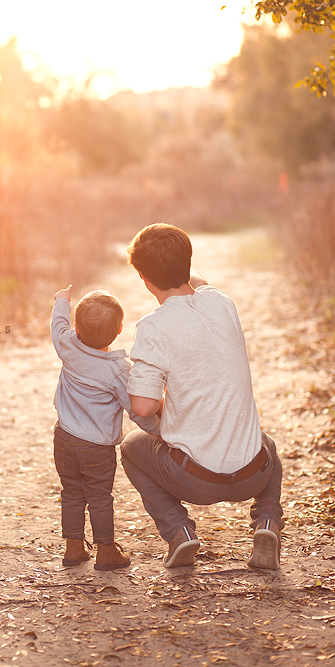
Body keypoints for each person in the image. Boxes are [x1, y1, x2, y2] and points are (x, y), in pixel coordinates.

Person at [120, 223, 283, 570]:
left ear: (143, 279)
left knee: (131, 448)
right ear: (189, 264)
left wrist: (168, 410)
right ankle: (267, 523)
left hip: (196, 481)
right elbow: (200, 283)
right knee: (265, 444)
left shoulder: (153, 327)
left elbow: (143, 406)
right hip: (254, 472)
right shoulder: (221, 303)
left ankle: (179, 532)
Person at [51, 285, 160, 570]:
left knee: (72, 492)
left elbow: (57, 324)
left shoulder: (67, 346)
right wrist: (159, 431)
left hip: (64, 437)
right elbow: (136, 409)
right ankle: (106, 550)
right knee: (99, 497)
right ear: (120, 328)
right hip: (96, 447)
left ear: (77, 327)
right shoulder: (118, 371)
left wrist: (61, 301)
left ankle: (73, 547)